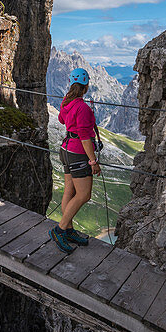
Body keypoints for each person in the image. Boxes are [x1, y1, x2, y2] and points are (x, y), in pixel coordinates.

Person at [49, 68, 101, 253]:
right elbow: (86, 138)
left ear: (72, 83)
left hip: (66, 149)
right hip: (78, 153)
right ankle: (60, 229)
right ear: (86, 86)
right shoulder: (83, 108)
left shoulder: (67, 101)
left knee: (69, 192)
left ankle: (69, 230)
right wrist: (93, 162)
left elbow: (62, 120)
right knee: (83, 195)